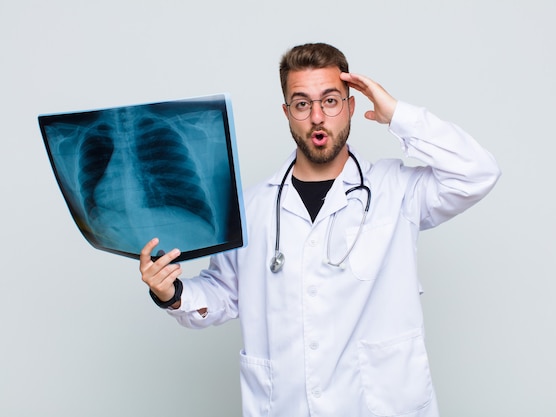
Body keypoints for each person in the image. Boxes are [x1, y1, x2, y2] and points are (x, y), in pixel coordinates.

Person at [139, 42, 500, 417]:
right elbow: (223, 294)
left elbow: (477, 173)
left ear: (351, 106)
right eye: (302, 103)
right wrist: (172, 292)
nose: (317, 116)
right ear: (287, 113)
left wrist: (398, 115)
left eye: (330, 101)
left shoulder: (396, 190)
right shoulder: (253, 208)